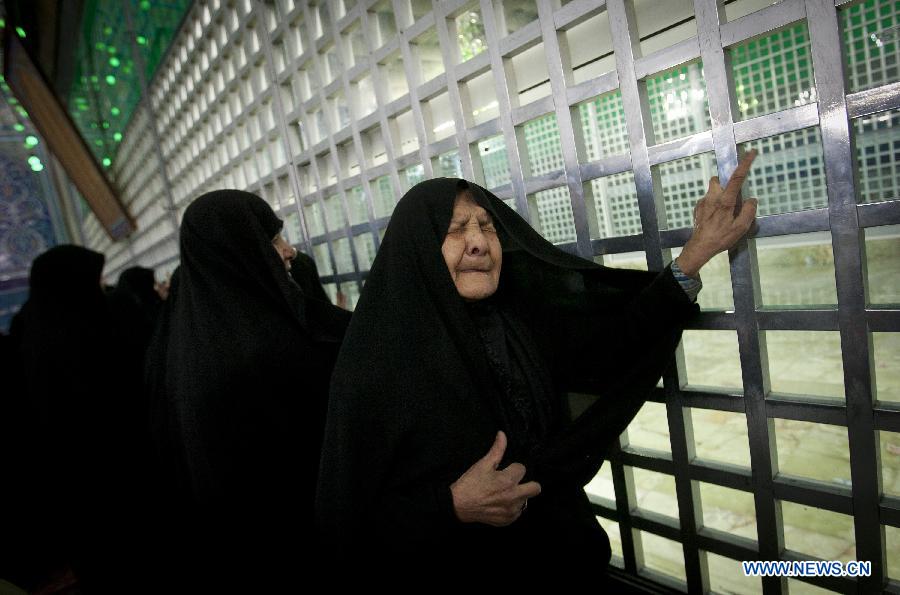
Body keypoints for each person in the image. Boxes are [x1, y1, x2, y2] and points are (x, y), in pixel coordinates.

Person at [316, 153, 758, 570]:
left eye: (487, 227)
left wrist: (694, 255)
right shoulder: (373, 367)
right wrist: (450, 505)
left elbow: (611, 346)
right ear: (418, 250)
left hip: (560, 556)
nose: (477, 243)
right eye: (456, 229)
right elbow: (347, 523)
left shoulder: (515, 324)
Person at [144, 189, 350, 585]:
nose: (289, 251)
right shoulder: (262, 351)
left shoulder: (194, 341)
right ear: (238, 253)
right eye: (272, 241)